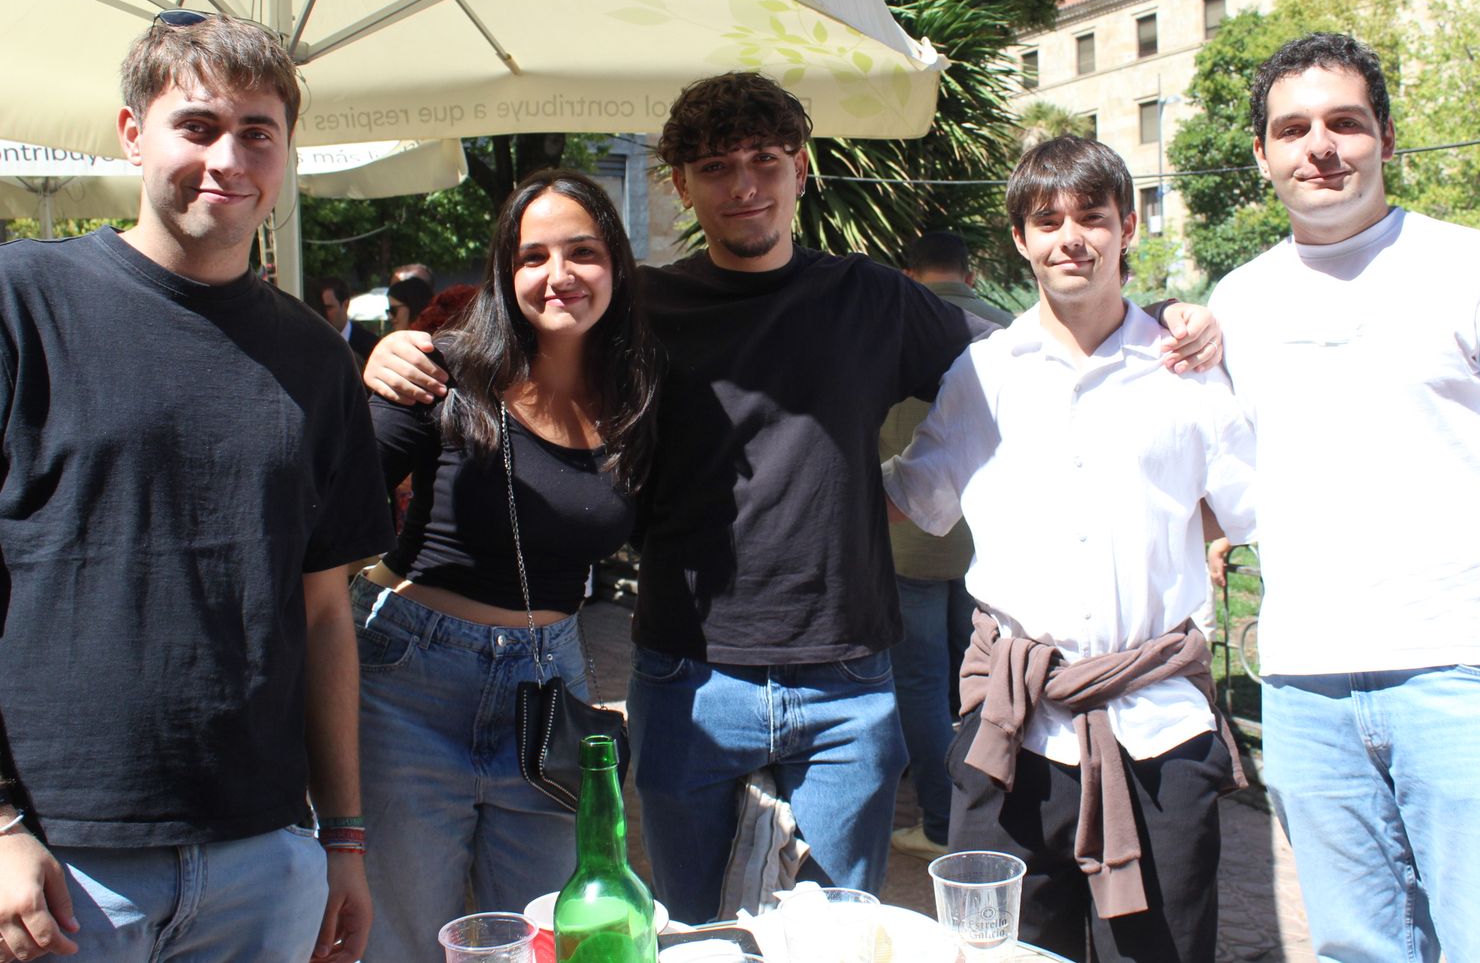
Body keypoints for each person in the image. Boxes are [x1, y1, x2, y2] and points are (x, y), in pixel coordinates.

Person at [363, 72, 1225, 924]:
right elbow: (525, 335)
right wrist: (402, 352)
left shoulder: (873, 297)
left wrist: (1163, 317)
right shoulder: (640, 310)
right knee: (695, 933)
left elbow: (1039, 355)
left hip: (846, 683)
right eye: (715, 167)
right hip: (685, 673)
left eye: (765, 161)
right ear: (681, 185)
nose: (744, 186)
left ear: (802, 169)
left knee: (837, 936)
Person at [0, 11, 392, 963]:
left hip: (263, 853)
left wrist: (342, 836)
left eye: (257, 132)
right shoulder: (22, 299)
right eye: (198, 125)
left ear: (285, 154)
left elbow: (328, 613)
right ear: (134, 133)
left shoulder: (315, 355)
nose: (228, 157)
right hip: (60, 858)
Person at [1207, 32, 1480, 961]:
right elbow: (1220, 493)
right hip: (1305, 696)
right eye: (1293, 128)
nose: (1321, 146)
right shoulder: (1237, 302)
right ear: (1263, 154)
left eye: (1344, 121)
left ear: (1385, 135)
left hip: (1473, 681)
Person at [883, 135, 1255, 962]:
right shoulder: (984, 373)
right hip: (1012, 736)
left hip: (1158, 733)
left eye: (1092, 216)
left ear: (1128, 226)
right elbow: (913, 498)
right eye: (1047, 221)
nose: (1070, 237)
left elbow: (1254, 503)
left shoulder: (1187, 372)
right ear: (1021, 239)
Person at [353, 170, 660, 961]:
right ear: (505, 272)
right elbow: (324, 508)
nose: (558, 275)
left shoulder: (638, 396)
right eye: (533, 257)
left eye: (582, 252)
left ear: (617, 266)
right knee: (405, 939)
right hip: (407, 679)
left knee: (548, 932)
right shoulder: (440, 372)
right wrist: (362, 380)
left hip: (550, 684)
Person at [876, 231, 1012, 863]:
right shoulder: (1007, 332)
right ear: (971, 274)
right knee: (978, 684)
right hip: (985, 547)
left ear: (908, 271)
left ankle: (939, 819)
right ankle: (988, 813)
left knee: (922, 687)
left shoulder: (887, 330)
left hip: (906, 543)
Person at [319, 275, 380, 366]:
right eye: (320, 308)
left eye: (328, 308)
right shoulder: (312, 345)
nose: (322, 313)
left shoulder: (370, 345)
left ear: (346, 305)